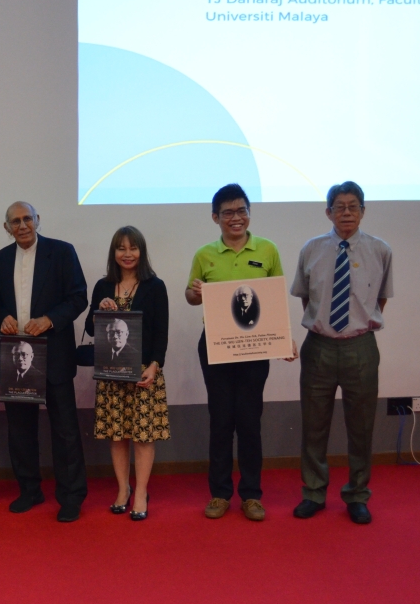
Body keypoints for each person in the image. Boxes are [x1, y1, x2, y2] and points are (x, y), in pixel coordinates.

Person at [186, 184, 293, 522]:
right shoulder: (205, 254)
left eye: (242, 210)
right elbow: (191, 296)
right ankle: (219, 494)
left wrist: (285, 338)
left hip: (254, 348)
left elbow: (275, 301)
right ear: (216, 217)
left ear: (249, 213)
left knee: (249, 422)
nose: (237, 217)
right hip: (216, 347)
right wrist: (194, 291)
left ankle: (251, 495)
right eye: (228, 212)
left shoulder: (268, 249)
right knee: (220, 421)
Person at [290, 181, 392, 525]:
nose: (346, 212)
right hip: (318, 346)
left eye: (353, 206)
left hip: (361, 347)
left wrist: (356, 325)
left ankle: (357, 495)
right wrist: (325, 325)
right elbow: (306, 298)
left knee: (361, 426)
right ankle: (314, 492)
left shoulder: (380, 250)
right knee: (313, 425)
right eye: (339, 206)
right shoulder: (311, 249)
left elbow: (380, 300)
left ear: (363, 210)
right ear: (328, 212)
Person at [0, 202, 89, 522]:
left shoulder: (62, 252)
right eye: (15, 221)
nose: (22, 225)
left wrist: (48, 320)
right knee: (21, 430)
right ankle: (29, 490)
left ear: (37, 220)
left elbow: (78, 296)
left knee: (65, 430)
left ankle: (70, 496)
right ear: (7, 228)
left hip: (54, 352)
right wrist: (1, 316)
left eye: (27, 219)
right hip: (16, 356)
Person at [87, 226, 170, 521]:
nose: (127, 254)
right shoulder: (102, 285)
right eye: (121, 248)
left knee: (143, 437)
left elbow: (161, 333)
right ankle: (123, 489)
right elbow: (89, 329)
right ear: (114, 253)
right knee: (117, 433)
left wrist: (154, 365)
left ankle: (142, 491)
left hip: (143, 373)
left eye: (133, 248)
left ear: (141, 251)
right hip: (112, 373)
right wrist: (100, 309)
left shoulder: (155, 286)